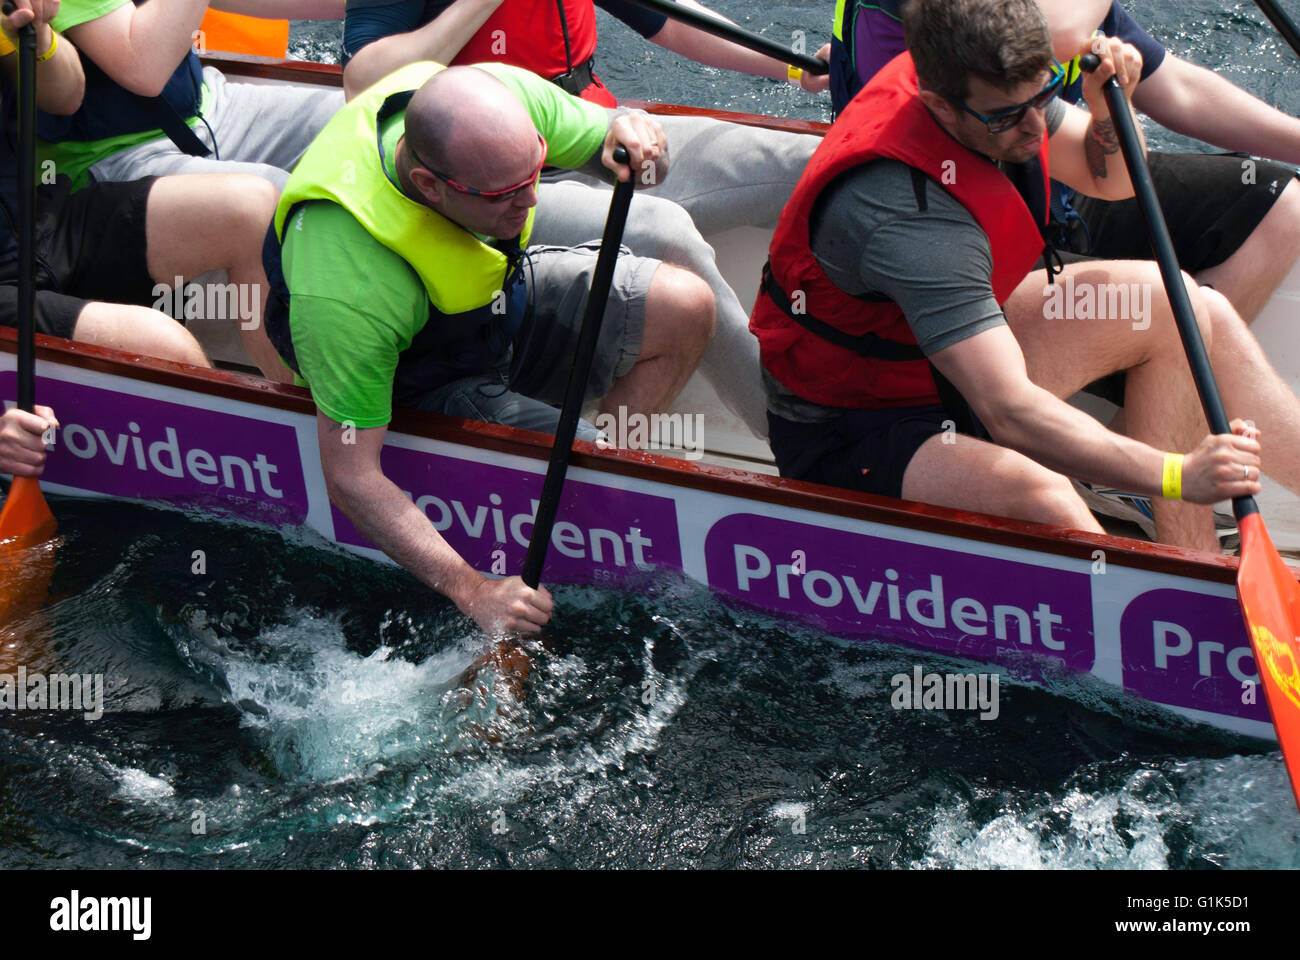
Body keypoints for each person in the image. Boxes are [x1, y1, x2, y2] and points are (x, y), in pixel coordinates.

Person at [749, 0, 1299, 553]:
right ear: (937, 103)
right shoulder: (906, 210)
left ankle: (1191, 561)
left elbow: (1108, 178)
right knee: (1048, 498)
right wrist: (1178, 473)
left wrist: (1111, 106)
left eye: (1043, 99)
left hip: (936, 361)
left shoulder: (997, 90)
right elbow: (1009, 411)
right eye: (1009, 116)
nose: (1036, 128)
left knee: (1173, 302)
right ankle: (1144, 603)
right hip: (860, 426)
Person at [262, 61, 715, 634]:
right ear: (430, 185)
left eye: (537, 172)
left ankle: (592, 486)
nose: (530, 203)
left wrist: (636, 137)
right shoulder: (347, 282)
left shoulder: (503, 101)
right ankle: (586, 491)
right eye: (505, 194)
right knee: (595, 466)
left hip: (499, 307)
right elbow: (350, 476)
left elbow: (617, 143)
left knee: (686, 309)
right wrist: (474, 591)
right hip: (425, 377)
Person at [339, 0, 832, 440]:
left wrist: (793, 66)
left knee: (813, 166)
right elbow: (362, 82)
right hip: (497, 194)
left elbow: (668, 21)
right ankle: (795, 443)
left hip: (597, 135)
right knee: (663, 231)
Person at [833, 0, 1300, 325]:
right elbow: (1059, 35)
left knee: (1279, 206)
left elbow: (1179, 91)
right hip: (964, 249)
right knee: (1179, 309)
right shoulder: (939, 18)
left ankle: (1156, 441)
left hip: (1057, 195)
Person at [0, 0, 276, 373]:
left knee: (254, 206)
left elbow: (65, 97)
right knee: (162, 344)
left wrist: (38, 34)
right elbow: (143, 68)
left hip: (35, 217)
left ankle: (307, 412)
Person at [39, 1, 345, 191]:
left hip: (206, 107)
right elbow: (144, 69)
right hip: (111, 157)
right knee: (277, 196)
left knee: (362, 122)